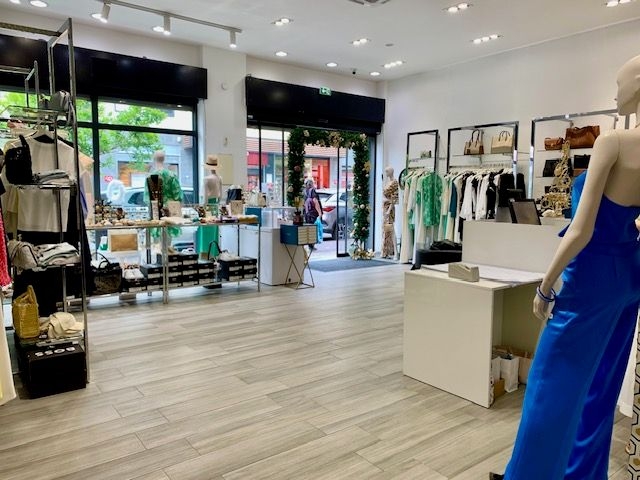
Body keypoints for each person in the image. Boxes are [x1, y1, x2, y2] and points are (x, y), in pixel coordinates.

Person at [491, 54, 640, 480]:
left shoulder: (614, 142)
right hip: (630, 274)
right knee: (600, 387)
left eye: (620, 84)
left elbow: (581, 229)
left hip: (591, 276)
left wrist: (546, 283)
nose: (616, 94)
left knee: (549, 387)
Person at [381, 166, 399, 259]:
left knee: (391, 229)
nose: (386, 173)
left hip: (389, 208)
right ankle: (386, 251)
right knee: (386, 229)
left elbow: (394, 198)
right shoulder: (388, 182)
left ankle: (396, 252)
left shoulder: (395, 183)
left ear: (391, 172)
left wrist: (389, 210)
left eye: (387, 171)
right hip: (385, 208)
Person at [303, 178, 322, 250]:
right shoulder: (312, 191)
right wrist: (320, 213)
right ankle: (312, 245)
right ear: (311, 184)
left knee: (309, 229)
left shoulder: (304, 192)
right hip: (313, 213)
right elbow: (315, 201)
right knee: (313, 229)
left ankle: (310, 245)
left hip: (307, 213)